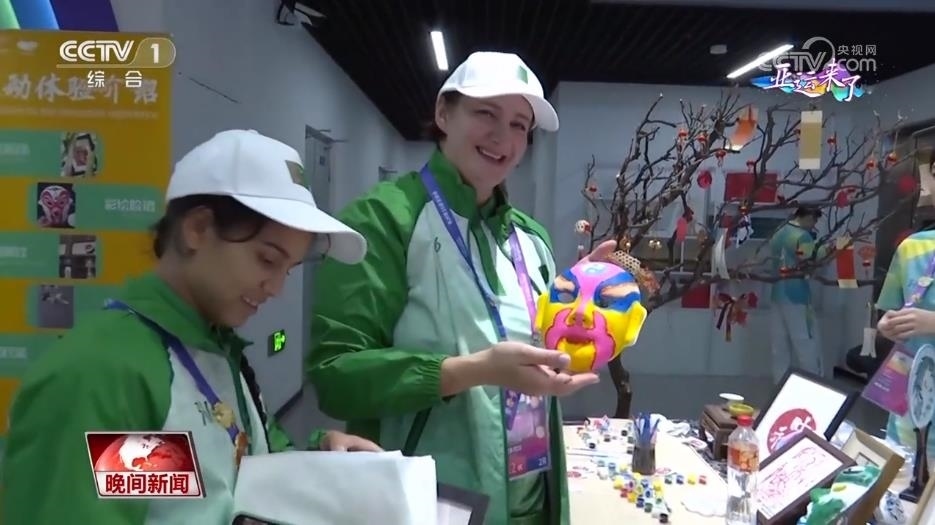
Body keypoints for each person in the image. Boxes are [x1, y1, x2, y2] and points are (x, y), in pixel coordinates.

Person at [1, 130, 382, 525]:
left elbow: (191, 480)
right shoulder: (104, 373)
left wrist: (319, 459)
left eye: (288, 269)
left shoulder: (212, 349)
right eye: (268, 260)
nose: (276, 288)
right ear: (197, 229)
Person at [306, 51, 606, 525]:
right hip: (427, 505)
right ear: (444, 114)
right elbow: (335, 378)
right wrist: (473, 370)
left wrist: (581, 299)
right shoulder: (384, 219)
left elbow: (542, 352)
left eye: (519, 124)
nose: (503, 136)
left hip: (533, 502)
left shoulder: (532, 240)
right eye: (486, 112)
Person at [876, 227, 935, 462]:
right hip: (910, 408)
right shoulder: (913, 247)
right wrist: (890, 325)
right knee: (904, 477)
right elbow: (894, 309)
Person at [767, 205, 827, 382]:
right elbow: (810, 258)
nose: (813, 225)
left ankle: (780, 384)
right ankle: (813, 384)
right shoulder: (801, 236)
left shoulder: (779, 232)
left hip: (777, 293)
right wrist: (829, 248)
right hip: (797, 295)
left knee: (779, 346)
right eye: (814, 221)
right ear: (808, 217)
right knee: (805, 342)